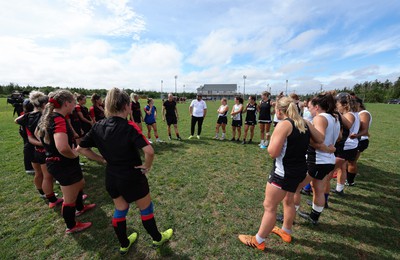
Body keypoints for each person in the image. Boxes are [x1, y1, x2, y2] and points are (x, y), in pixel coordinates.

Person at [77, 88, 173, 255]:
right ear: (126, 106)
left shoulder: (98, 126)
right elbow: (149, 151)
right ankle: (158, 238)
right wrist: (147, 166)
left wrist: (102, 159)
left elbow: (80, 148)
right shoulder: (129, 126)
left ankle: (124, 243)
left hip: (112, 177)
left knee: (120, 209)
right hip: (132, 177)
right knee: (146, 209)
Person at [238, 97, 323, 250]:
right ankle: (286, 231)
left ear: (278, 111)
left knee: (269, 207)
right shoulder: (304, 122)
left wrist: (272, 140)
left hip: (283, 173)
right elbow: (320, 138)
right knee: (289, 201)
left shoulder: (284, 124)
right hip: (299, 171)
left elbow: (273, 152)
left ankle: (258, 240)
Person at [36, 90, 95, 233]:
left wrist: (49, 148)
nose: (75, 105)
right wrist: (74, 154)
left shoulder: (51, 116)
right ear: (67, 103)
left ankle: (80, 208)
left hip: (61, 161)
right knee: (69, 198)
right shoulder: (58, 119)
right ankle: (71, 225)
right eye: (74, 102)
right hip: (62, 163)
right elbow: (62, 147)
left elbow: (38, 135)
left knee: (80, 183)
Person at [297, 92, 340, 225]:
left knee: (295, 188)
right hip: (328, 161)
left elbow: (319, 140)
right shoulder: (335, 118)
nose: (308, 109)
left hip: (317, 160)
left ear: (317, 107)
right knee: (318, 188)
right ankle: (314, 218)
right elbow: (338, 138)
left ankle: (289, 218)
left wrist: (307, 141)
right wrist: (330, 148)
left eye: (310, 107)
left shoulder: (320, 118)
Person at [26, 91, 63, 207]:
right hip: (43, 150)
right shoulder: (43, 117)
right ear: (43, 104)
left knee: (38, 173)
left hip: (32, 149)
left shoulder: (27, 116)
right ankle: (52, 199)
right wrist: (46, 144)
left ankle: (43, 193)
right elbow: (40, 134)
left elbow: (30, 136)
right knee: (47, 176)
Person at [331, 93, 360, 195]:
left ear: (344, 104)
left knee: (328, 172)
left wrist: (337, 114)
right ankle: (339, 189)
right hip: (351, 146)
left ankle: (320, 196)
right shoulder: (355, 113)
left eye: (337, 103)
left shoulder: (349, 114)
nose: (337, 106)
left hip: (346, 146)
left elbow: (348, 125)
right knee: (342, 168)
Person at [346, 98, 372, 186]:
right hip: (356, 139)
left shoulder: (364, 114)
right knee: (348, 162)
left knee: (352, 162)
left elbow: (365, 131)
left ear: (359, 104)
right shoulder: (357, 113)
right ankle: (346, 179)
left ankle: (350, 181)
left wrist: (355, 135)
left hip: (360, 140)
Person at [15, 99, 35, 175]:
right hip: (28, 135)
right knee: (29, 149)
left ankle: (29, 167)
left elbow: (16, 120)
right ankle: (29, 167)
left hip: (26, 134)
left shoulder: (25, 115)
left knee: (28, 148)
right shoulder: (30, 115)